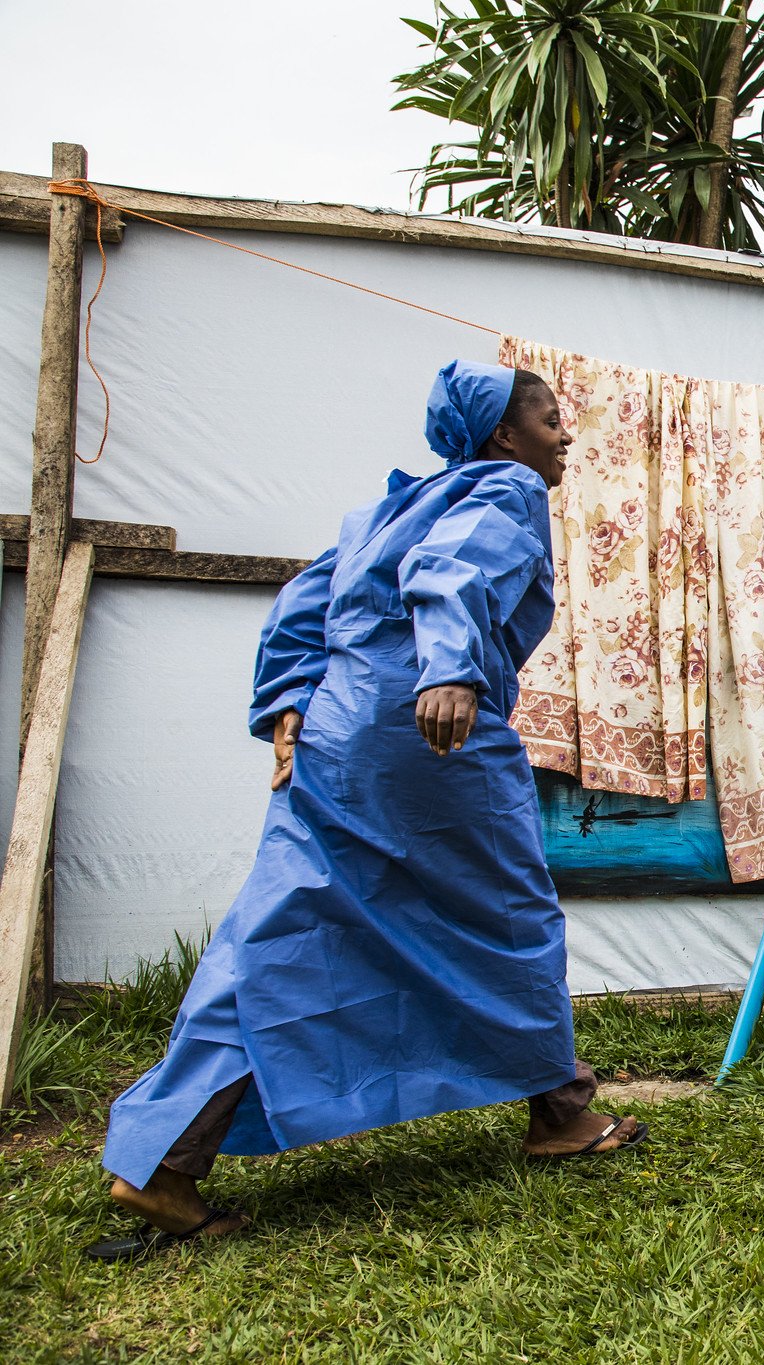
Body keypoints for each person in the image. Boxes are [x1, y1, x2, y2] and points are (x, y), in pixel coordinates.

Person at [87, 360, 645, 1262]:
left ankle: (164, 1160)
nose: (564, 432)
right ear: (505, 436)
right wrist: (453, 666)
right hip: (428, 737)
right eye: (550, 418)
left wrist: (289, 703)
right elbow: (455, 570)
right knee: (507, 916)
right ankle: (561, 1117)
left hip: (334, 744)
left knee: (281, 933)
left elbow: (303, 606)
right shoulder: (504, 490)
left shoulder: (385, 510)